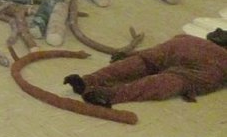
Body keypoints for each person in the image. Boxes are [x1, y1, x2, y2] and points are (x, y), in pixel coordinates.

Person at [63, 28, 227, 106]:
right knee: (166, 82)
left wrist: (131, 55)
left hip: (184, 44)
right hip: (211, 64)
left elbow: (152, 53)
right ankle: (109, 95)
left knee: (141, 62)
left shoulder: (192, 39)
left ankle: (87, 81)